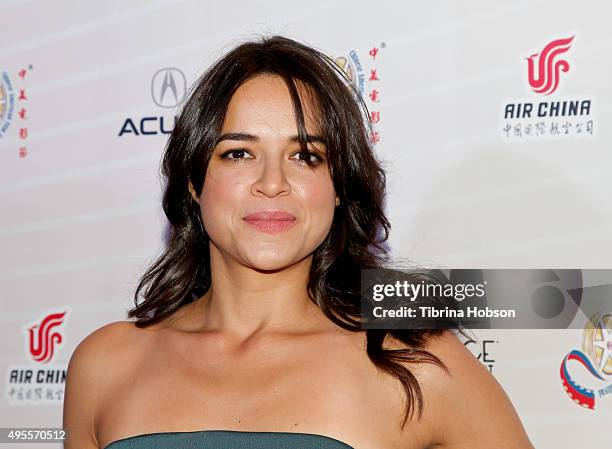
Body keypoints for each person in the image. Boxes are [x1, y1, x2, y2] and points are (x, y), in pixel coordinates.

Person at [63, 35, 535, 449]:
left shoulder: (413, 362)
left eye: (306, 156)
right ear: (194, 181)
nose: (272, 182)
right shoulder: (105, 364)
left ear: (338, 189)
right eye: (239, 153)